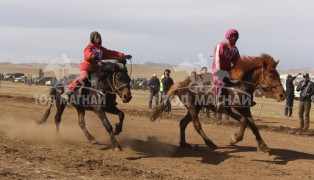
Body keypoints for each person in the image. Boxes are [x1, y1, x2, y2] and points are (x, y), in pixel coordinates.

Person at [61, 31, 132, 100]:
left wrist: (123, 55)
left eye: (99, 37)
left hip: (97, 67)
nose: (98, 39)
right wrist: (92, 56)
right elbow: (86, 54)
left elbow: (111, 52)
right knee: (83, 78)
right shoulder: (89, 47)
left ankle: (108, 98)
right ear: (92, 38)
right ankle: (67, 92)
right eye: (96, 37)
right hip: (87, 67)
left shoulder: (101, 49)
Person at [212, 29, 240, 112]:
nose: (234, 39)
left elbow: (237, 60)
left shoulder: (235, 48)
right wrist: (218, 70)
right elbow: (217, 57)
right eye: (233, 37)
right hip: (218, 68)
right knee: (221, 81)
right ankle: (219, 100)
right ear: (228, 36)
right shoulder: (221, 45)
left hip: (228, 69)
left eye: (236, 37)